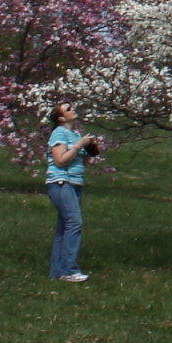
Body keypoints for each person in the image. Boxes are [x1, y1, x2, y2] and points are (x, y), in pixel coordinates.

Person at [44, 101, 101, 282]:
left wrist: (89, 149)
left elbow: (80, 163)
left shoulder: (75, 134)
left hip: (74, 183)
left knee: (65, 227)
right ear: (61, 118)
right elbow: (60, 160)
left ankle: (57, 271)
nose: (73, 109)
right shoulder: (59, 133)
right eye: (68, 109)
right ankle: (69, 270)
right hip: (61, 182)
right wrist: (78, 146)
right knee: (74, 223)